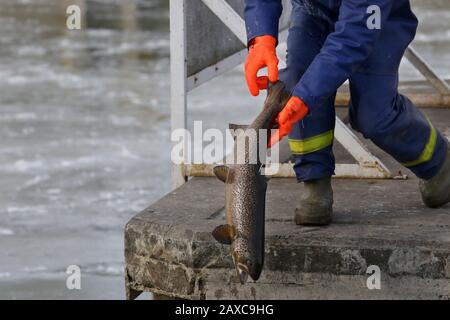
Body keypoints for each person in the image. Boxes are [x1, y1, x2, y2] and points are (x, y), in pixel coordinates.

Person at [244, 0, 450, 226]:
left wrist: (305, 98)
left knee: (374, 116)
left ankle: (439, 161)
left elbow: (351, 40)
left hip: (375, 19)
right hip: (314, 11)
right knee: (298, 80)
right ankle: (315, 179)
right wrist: (260, 38)